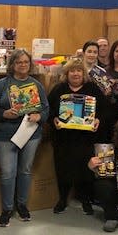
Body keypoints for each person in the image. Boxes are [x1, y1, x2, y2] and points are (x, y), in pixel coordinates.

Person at [0, 48, 49, 227]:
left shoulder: (36, 85)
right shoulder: (2, 84)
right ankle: (7, 209)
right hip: (5, 135)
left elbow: (46, 108)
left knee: (25, 171)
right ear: (12, 65)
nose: (23, 65)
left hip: (30, 133)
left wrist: (39, 116)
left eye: (26, 62)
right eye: (19, 62)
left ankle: (22, 205)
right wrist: (4, 113)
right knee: (8, 173)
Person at [48, 58, 111, 215]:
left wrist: (98, 120)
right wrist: (53, 119)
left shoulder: (93, 89)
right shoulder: (59, 89)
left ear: (84, 74)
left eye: (79, 71)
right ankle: (63, 199)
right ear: (66, 73)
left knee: (86, 169)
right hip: (64, 138)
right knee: (63, 168)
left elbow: (105, 110)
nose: (75, 74)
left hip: (86, 139)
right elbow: (48, 109)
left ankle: (85, 200)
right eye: (72, 71)